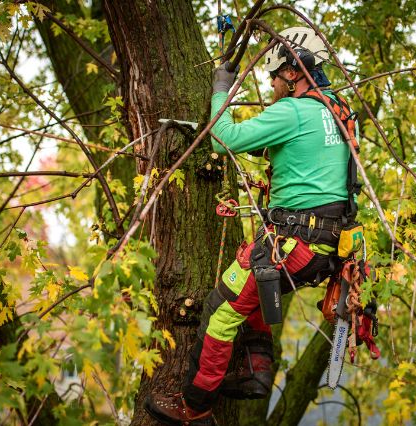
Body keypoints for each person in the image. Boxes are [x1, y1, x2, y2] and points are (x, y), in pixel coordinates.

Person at [145, 27, 358, 425]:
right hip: (329, 246)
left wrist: (221, 90)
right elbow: (302, 156)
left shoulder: (293, 111)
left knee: (221, 309)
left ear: (295, 71)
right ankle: (255, 371)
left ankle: (195, 406)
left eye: (276, 74)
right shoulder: (340, 112)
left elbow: (221, 137)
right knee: (258, 293)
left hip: (295, 242)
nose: (272, 82)